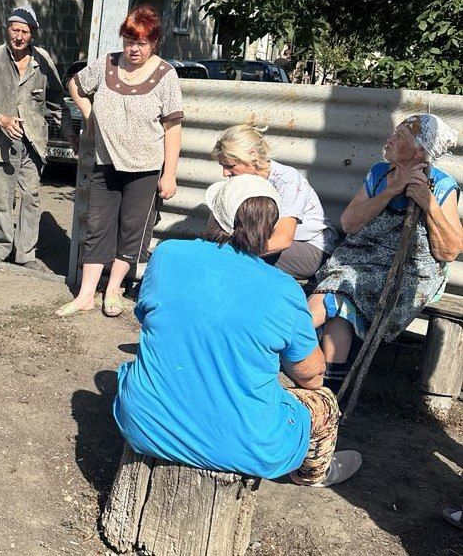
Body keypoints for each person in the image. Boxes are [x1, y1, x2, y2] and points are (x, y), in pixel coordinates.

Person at [114, 174, 362, 487]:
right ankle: (312, 474)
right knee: (323, 401)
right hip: (245, 446)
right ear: (270, 229)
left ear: (215, 216)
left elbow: (148, 316)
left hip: (143, 424)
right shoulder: (284, 289)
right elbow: (310, 375)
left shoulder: (167, 254)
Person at [307, 114, 462, 393]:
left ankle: (273, 345)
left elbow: (449, 251)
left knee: (336, 293)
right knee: (340, 307)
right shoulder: (380, 174)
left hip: (409, 272)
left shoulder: (441, 185)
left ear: (419, 152)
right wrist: (390, 192)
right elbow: (349, 223)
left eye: (400, 137)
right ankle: (328, 394)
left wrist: (430, 206)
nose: (389, 140)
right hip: (359, 259)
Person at [56, 5, 182, 318]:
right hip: (105, 163)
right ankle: (86, 295)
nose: (133, 49)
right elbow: (75, 83)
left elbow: (173, 127)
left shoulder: (166, 75)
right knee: (97, 228)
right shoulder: (106, 64)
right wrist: (89, 113)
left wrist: (170, 175)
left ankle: (113, 291)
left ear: (154, 43)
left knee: (132, 231)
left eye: (140, 43)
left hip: (145, 169)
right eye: (128, 41)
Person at [0, 6, 66, 272]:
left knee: (31, 197)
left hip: (32, 142)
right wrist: (1, 120)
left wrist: (69, 131)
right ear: (7, 30)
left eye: (25, 31)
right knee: (0, 198)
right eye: (15, 30)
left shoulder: (42, 60)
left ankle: (26, 254)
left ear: (32, 34)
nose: (19, 36)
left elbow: (56, 99)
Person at [212, 123, 338, 279]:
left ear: (252, 156)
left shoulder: (287, 180)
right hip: (265, 244)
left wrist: (233, 253)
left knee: (230, 261)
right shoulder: (242, 181)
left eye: (230, 166)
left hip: (310, 249)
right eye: (222, 166)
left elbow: (283, 240)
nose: (225, 173)